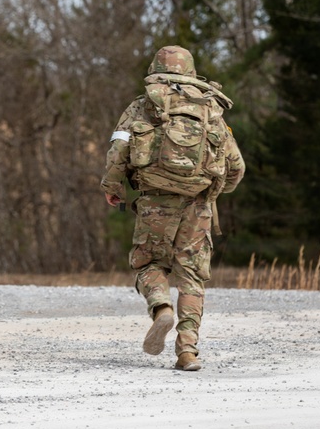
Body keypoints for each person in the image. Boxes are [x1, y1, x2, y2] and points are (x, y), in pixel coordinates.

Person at [101, 46, 245, 371]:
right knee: (192, 276)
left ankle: (161, 306)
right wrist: (213, 192)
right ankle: (188, 352)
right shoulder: (211, 108)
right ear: (190, 71)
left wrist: (112, 187)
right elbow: (236, 166)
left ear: (155, 68)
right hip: (199, 206)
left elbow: (118, 150)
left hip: (154, 200)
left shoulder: (142, 104)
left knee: (147, 263)